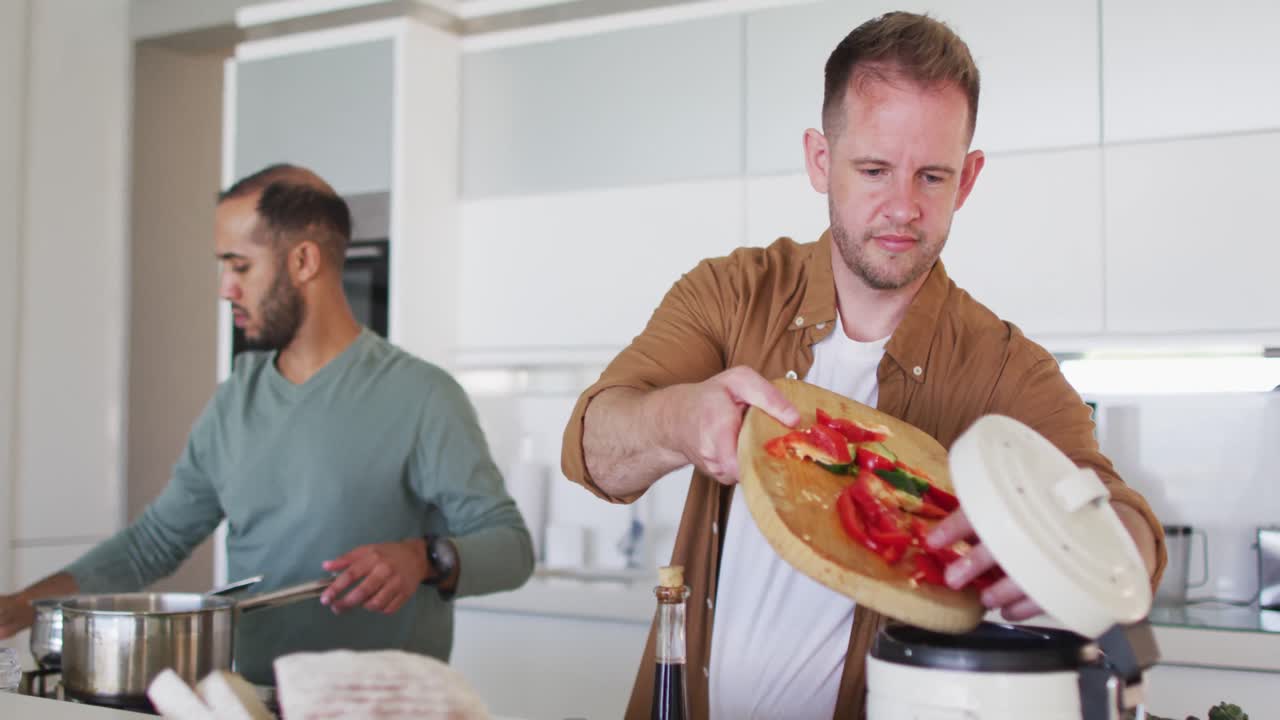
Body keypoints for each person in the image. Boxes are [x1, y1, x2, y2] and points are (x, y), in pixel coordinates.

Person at [560, 12, 1165, 720]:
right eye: (874, 170)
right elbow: (591, 451)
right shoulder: (731, 294)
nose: (903, 208)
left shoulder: (1006, 367)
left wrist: (1070, 560)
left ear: (968, 178)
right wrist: (679, 420)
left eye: (932, 176)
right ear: (821, 159)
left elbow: (1123, 524)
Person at [0, 165, 534, 684]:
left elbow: (512, 548)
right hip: (256, 701)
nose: (224, 288)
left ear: (303, 261)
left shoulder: (422, 395)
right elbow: (153, 542)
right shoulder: (236, 401)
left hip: (385, 705)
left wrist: (425, 557)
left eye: (239, 266)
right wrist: (25, 605)